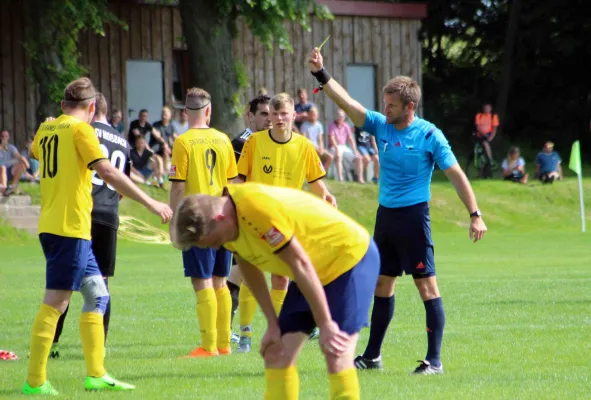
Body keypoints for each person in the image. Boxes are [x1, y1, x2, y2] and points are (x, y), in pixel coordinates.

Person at [308, 48, 487, 374]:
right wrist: (321, 73)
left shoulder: (430, 135)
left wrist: (475, 214)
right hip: (386, 219)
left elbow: (457, 175)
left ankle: (434, 361)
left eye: (391, 105)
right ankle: (373, 356)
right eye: (385, 103)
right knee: (382, 286)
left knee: (426, 287)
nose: (385, 109)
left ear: (410, 107)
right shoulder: (381, 125)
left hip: (414, 219)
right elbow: (348, 103)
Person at [22, 78, 172, 396]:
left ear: (63, 106)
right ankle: (34, 382)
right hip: (69, 228)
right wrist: (151, 201)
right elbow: (109, 172)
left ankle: (96, 374)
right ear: (92, 108)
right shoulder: (81, 130)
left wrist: (49, 124)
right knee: (56, 302)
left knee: (97, 295)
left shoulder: (47, 129)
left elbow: (34, 149)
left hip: (60, 225)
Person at [171, 182, 380, 400]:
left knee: (336, 352)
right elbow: (247, 264)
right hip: (312, 270)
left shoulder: (254, 208)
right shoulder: (224, 218)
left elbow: (300, 264)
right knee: (276, 353)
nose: (216, 248)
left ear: (218, 219)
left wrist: (326, 324)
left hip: (349, 258)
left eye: (212, 242)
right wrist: (272, 323)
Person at [235, 93, 336, 353]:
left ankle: (277, 331)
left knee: (281, 279)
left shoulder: (303, 146)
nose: (278, 119)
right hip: (255, 219)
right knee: (250, 275)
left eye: (284, 114)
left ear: (293, 116)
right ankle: (244, 335)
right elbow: (239, 180)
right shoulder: (254, 142)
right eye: (274, 114)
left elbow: (316, 183)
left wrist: (326, 196)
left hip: (285, 222)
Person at [49, 92, 132, 357]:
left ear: (91, 109)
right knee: (102, 282)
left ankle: (52, 342)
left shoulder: (83, 130)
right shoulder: (122, 140)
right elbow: (121, 184)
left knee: (66, 280)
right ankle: (100, 345)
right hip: (109, 214)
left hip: (83, 211)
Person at [168, 87, 239, 358]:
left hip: (197, 220)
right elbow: (231, 184)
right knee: (221, 281)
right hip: (223, 218)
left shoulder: (183, 142)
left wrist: (175, 221)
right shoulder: (223, 140)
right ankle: (224, 344)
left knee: (202, 281)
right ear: (208, 111)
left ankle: (208, 347)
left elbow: (178, 187)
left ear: (185, 112)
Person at [226, 94, 273, 342]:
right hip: (245, 218)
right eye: (263, 114)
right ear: (250, 115)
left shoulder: (271, 143)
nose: (269, 119)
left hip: (268, 216)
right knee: (240, 272)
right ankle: (225, 329)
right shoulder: (240, 144)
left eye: (271, 113)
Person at [328, 110, 363, 183]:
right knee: (338, 155)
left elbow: (350, 139)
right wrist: (336, 148)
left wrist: (355, 150)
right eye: (338, 116)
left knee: (358, 157)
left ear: (344, 118)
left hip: (344, 146)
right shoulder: (332, 125)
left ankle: (360, 179)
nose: (339, 118)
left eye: (341, 116)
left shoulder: (346, 125)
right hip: (334, 146)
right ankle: (340, 178)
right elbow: (332, 138)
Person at [300, 106, 334, 171]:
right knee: (316, 153)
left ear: (317, 115)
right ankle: (314, 173)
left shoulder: (319, 125)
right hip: (308, 147)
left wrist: (321, 148)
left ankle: (322, 172)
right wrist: (314, 147)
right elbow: (304, 140)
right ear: (309, 115)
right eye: (312, 114)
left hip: (317, 147)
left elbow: (320, 139)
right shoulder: (304, 125)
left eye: (315, 114)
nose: (313, 115)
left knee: (330, 157)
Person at [0, 129, 28, 195]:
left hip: (9, 170)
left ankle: (12, 187)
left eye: (6, 136)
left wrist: (26, 162)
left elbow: (18, 156)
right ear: (0, 137)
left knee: (21, 165)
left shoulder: (11, 147)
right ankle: (5, 189)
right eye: (3, 136)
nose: (5, 138)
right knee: (3, 167)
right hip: (1, 170)